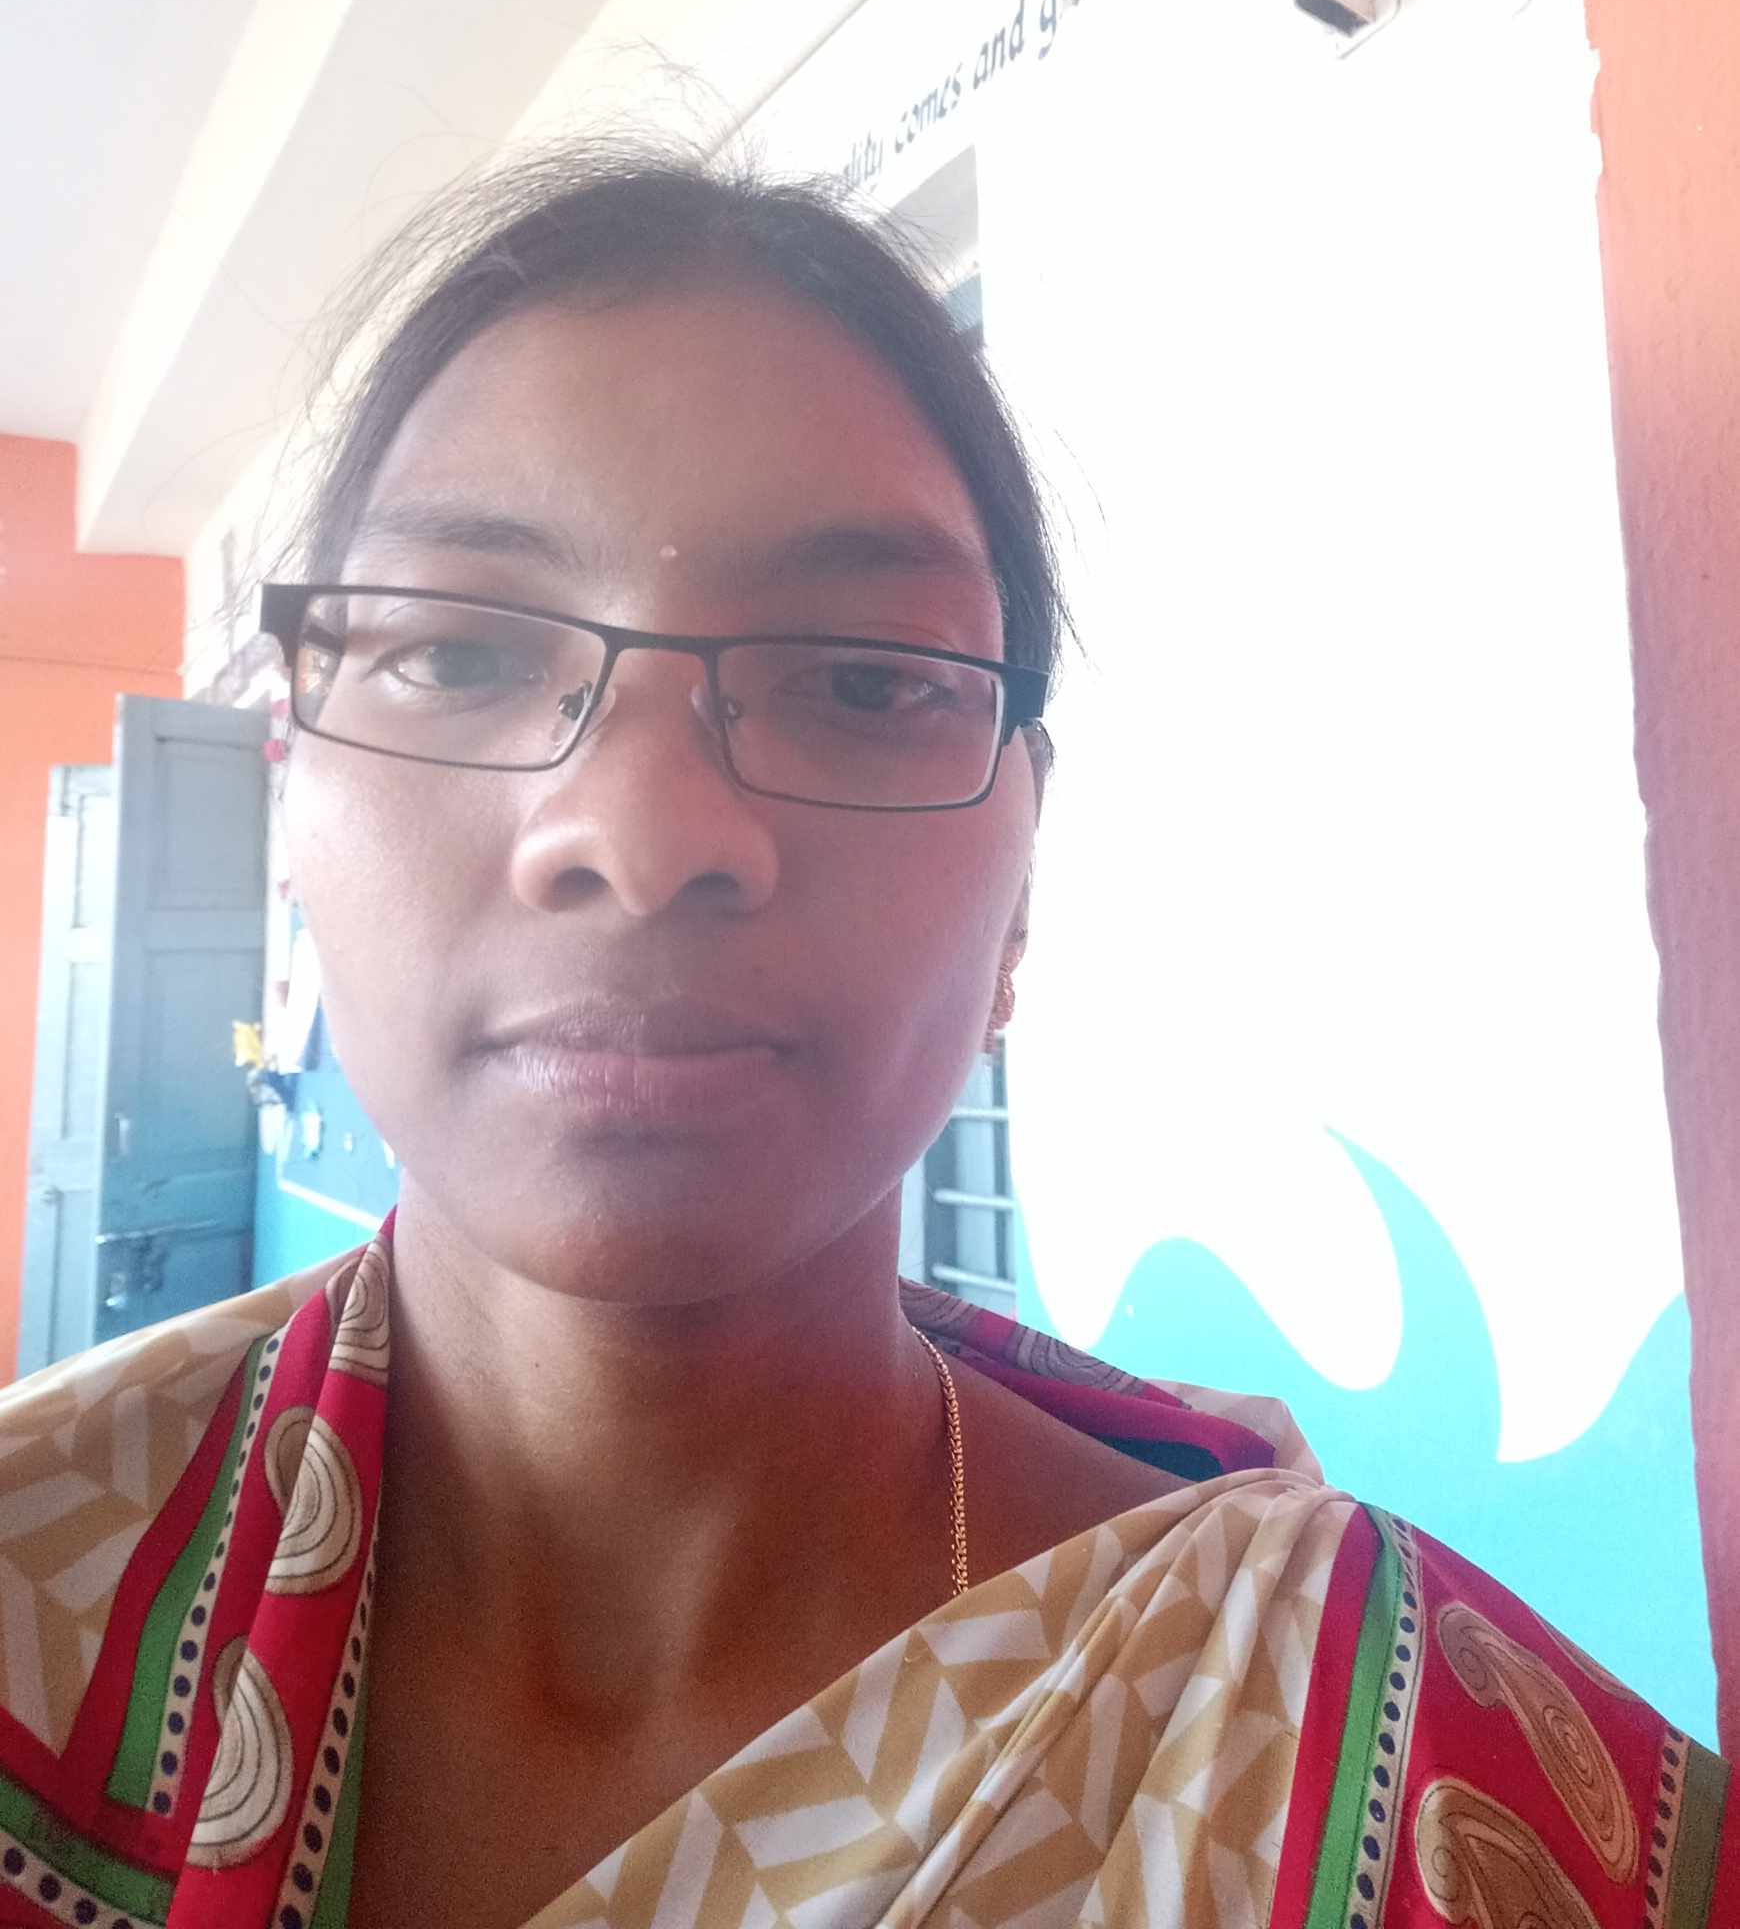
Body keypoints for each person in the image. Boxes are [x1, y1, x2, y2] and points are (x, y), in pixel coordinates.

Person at [0, 145, 1730, 1929]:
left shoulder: (1406, 1768)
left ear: (1022, 883)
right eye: (461, 655)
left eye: (863, 679)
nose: (640, 831)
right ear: (294, 801)